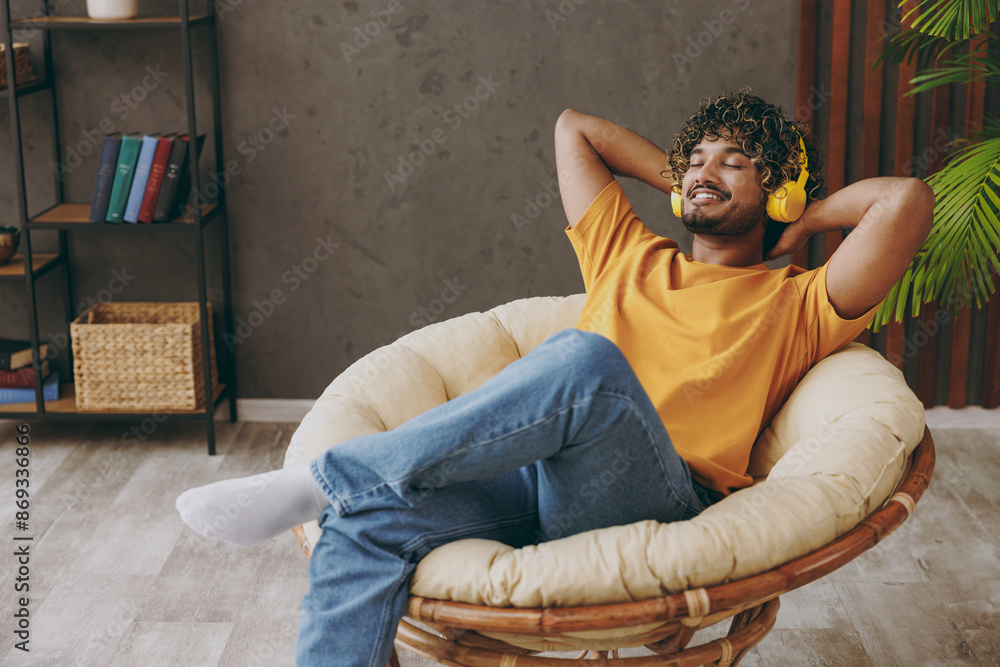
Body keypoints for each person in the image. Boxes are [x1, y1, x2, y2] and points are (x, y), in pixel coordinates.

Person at [175, 87, 933, 665]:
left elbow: (907, 200)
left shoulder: (799, 300)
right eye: (695, 158)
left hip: (658, 495)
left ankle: (326, 477)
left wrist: (803, 213)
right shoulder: (628, 254)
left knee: (586, 360)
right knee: (364, 526)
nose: (706, 170)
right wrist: (682, 175)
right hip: (536, 481)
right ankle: (346, 493)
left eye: (734, 161)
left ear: (779, 188)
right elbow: (576, 127)